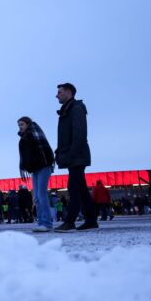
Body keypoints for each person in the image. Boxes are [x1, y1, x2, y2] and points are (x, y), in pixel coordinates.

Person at [54, 82, 97, 232]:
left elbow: (79, 134)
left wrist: (70, 154)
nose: (56, 95)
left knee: (73, 188)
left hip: (77, 155)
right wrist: (60, 152)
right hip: (74, 155)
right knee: (81, 189)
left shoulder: (76, 108)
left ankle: (70, 221)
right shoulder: (68, 109)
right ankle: (91, 220)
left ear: (68, 92)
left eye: (59, 92)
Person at [17, 116, 55, 232]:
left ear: (28, 124)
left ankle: (47, 223)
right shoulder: (24, 138)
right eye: (19, 125)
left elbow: (45, 149)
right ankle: (41, 222)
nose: (20, 127)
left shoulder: (35, 134)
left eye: (22, 124)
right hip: (35, 168)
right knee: (37, 196)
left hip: (44, 165)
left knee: (41, 194)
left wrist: (47, 162)